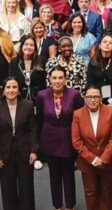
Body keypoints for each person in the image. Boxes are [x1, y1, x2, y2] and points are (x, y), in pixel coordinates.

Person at [35, 66, 84, 210]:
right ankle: (57, 206)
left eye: (60, 78)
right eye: (54, 78)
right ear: (49, 79)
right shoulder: (42, 95)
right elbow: (39, 120)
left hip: (69, 141)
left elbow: (79, 118)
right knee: (54, 176)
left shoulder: (74, 94)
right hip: (49, 141)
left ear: (66, 79)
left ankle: (70, 206)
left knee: (68, 176)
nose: (57, 81)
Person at [0, 77, 38, 210]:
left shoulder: (28, 105)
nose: (11, 90)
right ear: (3, 90)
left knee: (26, 188)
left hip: (25, 152)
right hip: (5, 154)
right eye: (8, 87)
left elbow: (33, 130)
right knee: (8, 189)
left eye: (14, 87)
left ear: (18, 90)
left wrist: (34, 150)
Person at [72, 85, 112, 210]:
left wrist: (104, 158)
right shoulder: (77, 114)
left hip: (108, 161)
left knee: (106, 192)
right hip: (87, 162)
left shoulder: (111, 111)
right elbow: (76, 141)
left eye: (96, 96)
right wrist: (93, 159)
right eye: (89, 96)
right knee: (91, 193)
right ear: (84, 98)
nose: (92, 99)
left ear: (101, 98)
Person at [87, 34, 112, 115]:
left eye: (110, 43)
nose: (107, 44)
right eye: (105, 42)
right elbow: (90, 82)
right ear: (99, 45)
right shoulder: (93, 61)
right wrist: (97, 98)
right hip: (97, 98)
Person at [11, 35, 48, 101]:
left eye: (31, 45)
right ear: (22, 46)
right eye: (26, 44)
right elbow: (11, 81)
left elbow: (44, 83)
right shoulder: (14, 62)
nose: (28, 47)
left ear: (35, 48)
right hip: (20, 99)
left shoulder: (42, 61)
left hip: (38, 98)